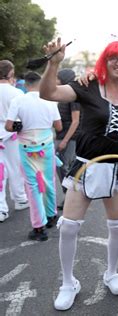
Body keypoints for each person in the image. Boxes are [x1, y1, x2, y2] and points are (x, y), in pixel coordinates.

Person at [39, 38, 118, 311]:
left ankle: (112, 272)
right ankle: (68, 283)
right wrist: (54, 64)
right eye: (113, 58)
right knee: (69, 226)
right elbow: (48, 93)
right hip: (86, 164)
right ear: (104, 61)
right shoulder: (88, 86)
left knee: (117, 226)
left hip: (116, 167)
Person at [5, 71, 62, 241]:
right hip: (46, 145)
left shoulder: (18, 100)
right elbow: (58, 126)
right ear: (40, 82)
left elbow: (9, 126)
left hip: (26, 147)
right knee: (49, 181)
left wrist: (21, 126)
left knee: (32, 187)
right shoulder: (50, 100)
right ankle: (52, 215)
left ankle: (39, 228)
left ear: (26, 84)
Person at [0, 60, 29, 223]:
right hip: (12, 135)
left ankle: (1, 209)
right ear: (11, 73)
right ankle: (20, 199)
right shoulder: (17, 93)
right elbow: (22, 116)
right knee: (15, 169)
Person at [55, 69, 81, 209]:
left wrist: (65, 140)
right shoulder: (65, 95)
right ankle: (70, 196)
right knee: (62, 167)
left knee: (64, 167)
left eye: (58, 78)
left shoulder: (73, 96)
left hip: (69, 137)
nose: (56, 80)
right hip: (62, 136)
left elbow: (75, 121)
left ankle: (71, 196)